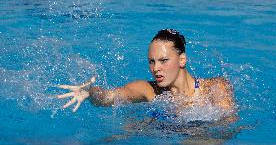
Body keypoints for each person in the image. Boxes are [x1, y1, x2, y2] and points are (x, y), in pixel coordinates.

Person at [57, 29, 235, 116]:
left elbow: (228, 124)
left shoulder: (214, 87)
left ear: (182, 60)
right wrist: (90, 93)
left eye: (163, 61)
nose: (156, 68)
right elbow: (109, 97)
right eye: (152, 61)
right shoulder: (149, 91)